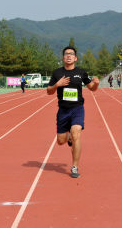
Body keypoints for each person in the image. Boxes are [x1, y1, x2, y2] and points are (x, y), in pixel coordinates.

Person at [47, 46, 99, 178]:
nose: (69, 56)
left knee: (76, 133)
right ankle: (68, 135)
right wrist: (57, 85)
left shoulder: (81, 72)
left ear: (75, 58)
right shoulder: (57, 73)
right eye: (66, 54)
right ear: (63, 57)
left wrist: (96, 83)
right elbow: (49, 91)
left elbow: (92, 88)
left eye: (71, 54)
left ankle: (75, 166)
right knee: (60, 141)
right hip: (63, 110)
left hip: (77, 109)